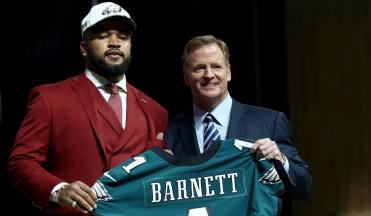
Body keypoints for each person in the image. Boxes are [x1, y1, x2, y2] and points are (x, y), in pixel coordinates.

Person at [7, 2, 167, 215]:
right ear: (84, 48)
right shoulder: (50, 98)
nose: (114, 42)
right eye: (102, 35)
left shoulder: (156, 111)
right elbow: (21, 162)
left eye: (123, 36)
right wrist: (57, 190)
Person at [165, 35, 311, 215]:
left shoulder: (270, 122)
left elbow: (304, 188)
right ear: (186, 77)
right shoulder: (168, 131)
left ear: (229, 72)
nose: (209, 75)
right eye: (199, 68)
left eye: (216, 66)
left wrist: (280, 159)